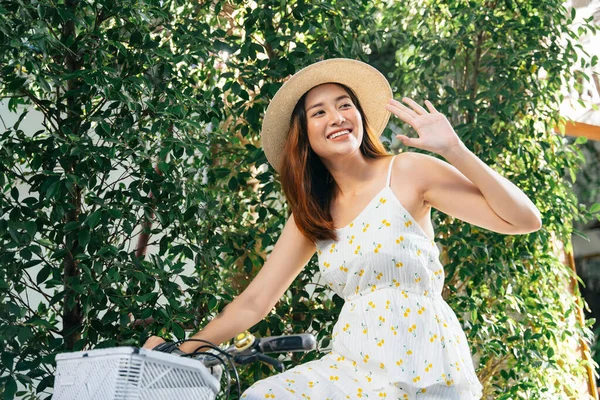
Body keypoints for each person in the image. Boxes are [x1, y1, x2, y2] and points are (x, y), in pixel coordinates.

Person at [143, 58, 542, 399]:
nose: (336, 117)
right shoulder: (313, 213)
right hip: (356, 364)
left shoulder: (406, 172)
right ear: (305, 135)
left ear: (360, 116)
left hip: (426, 358)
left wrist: (454, 150)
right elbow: (255, 301)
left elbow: (524, 220)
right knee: (264, 395)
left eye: (344, 105)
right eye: (319, 112)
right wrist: (182, 352)